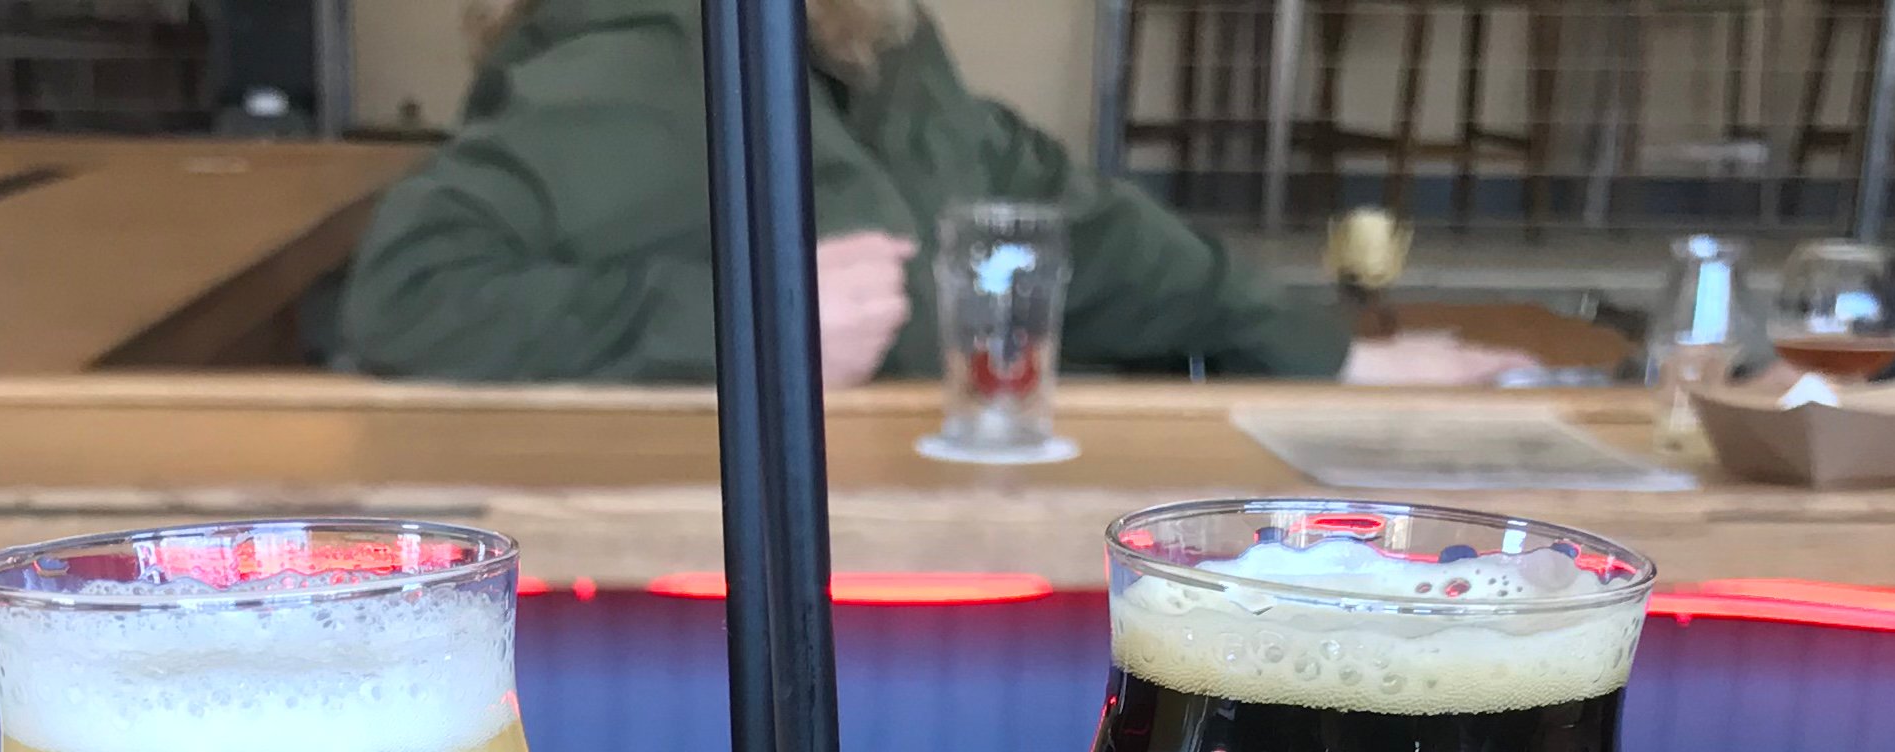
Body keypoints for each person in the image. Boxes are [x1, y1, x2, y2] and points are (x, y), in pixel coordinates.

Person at [340, 0, 1532, 387]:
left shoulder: (870, 44)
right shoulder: (637, 66)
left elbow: (1066, 224)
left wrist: (1330, 356)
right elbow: (407, 297)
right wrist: (749, 325)